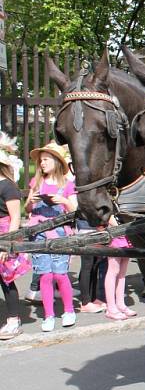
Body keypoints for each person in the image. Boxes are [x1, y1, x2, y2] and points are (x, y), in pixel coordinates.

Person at [25, 142, 78, 332]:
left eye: (46, 159)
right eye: (41, 160)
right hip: (38, 233)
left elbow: (74, 211)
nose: (42, 163)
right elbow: (27, 210)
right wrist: (31, 201)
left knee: (60, 274)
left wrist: (63, 200)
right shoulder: (36, 182)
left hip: (60, 233)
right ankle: (49, 315)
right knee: (45, 276)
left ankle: (69, 310)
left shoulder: (67, 184)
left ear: (56, 161)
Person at [0, 143, 26, 340]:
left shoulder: (8, 187)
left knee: (6, 280)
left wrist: (6, 244)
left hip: (4, 234)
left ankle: (13, 320)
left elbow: (15, 217)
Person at [103, 216, 136, 320]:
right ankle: (111, 308)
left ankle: (120, 304)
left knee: (122, 273)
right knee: (113, 271)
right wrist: (121, 228)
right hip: (116, 233)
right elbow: (108, 214)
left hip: (125, 234)